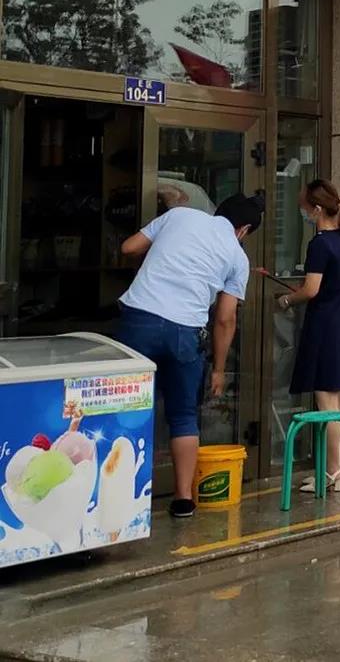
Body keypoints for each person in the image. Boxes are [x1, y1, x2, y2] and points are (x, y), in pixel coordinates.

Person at [115, 194, 262, 518]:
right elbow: (225, 318)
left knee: (126, 406)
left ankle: (122, 493)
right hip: (185, 332)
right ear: (243, 230)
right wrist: (219, 369)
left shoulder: (179, 216)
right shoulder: (237, 257)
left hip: (140, 320)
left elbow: (128, 247)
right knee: (183, 415)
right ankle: (183, 498)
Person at [278, 179, 340, 493]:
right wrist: (333, 289)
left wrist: (288, 299)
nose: (303, 213)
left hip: (323, 325)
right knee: (336, 400)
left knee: (326, 402)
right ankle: (333, 471)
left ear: (316, 209)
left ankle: (333, 471)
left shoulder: (320, 244)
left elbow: (311, 289)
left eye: (304, 208)